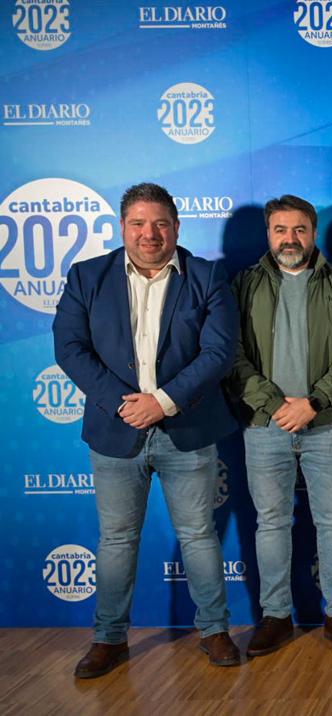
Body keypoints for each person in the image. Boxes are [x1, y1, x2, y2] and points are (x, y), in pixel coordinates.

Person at [53, 182, 241, 676]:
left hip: (188, 428)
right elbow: (70, 348)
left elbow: (219, 352)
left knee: (199, 535)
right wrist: (126, 405)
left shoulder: (207, 276)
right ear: (122, 227)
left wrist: (162, 402)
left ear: (177, 227)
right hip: (116, 433)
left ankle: (215, 630)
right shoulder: (87, 276)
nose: (149, 233)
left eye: (160, 223)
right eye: (138, 223)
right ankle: (109, 639)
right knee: (116, 540)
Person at [227, 194, 332, 656]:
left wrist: (314, 402)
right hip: (265, 426)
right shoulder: (243, 284)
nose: (291, 238)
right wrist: (275, 404)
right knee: (271, 524)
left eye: (299, 229)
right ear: (269, 234)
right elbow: (232, 356)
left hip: (325, 425)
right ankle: (276, 616)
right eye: (281, 230)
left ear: (313, 232)